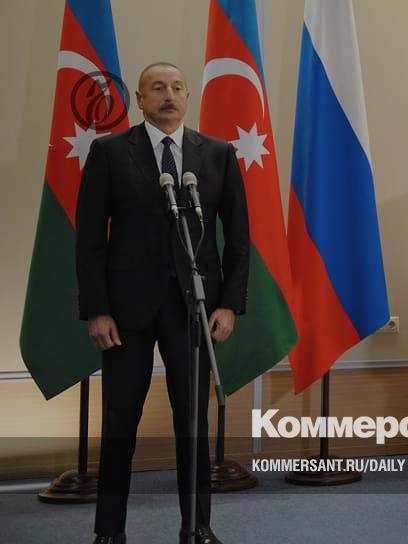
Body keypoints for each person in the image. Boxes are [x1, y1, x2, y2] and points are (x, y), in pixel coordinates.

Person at [75, 62, 249, 544]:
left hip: (193, 310)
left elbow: (238, 239)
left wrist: (228, 304)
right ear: (140, 99)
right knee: (120, 424)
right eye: (157, 88)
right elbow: (89, 240)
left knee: (192, 425)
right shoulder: (110, 152)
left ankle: (198, 526)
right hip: (124, 313)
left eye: (176, 87)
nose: (167, 95)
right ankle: (109, 531)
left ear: (188, 96)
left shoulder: (217, 154)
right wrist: (97, 309)